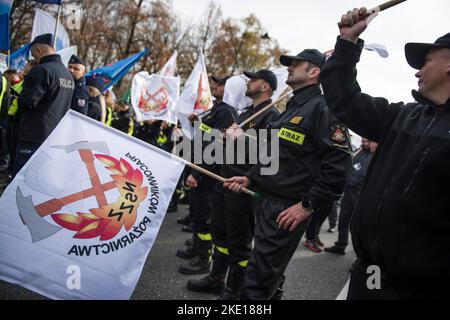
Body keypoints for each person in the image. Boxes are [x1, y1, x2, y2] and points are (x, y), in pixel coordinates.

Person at [320, 7, 450, 299]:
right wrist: (347, 43)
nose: (417, 70)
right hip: (370, 274)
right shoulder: (402, 116)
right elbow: (345, 100)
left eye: (426, 61)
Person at [225, 49, 352, 300]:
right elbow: (274, 152)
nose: (290, 68)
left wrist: (308, 205)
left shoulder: (324, 109)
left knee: (257, 282)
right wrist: (251, 177)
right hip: (265, 197)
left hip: (286, 207)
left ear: (314, 72)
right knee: (266, 272)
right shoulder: (293, 105)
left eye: (297, 64)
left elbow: (339, 165)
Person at [187, 70, 280, 299]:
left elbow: (270, 157)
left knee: (239, 243)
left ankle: (234, 290)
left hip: (242, 189)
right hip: (224, 182)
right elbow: (227, 145)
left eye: (254, 79)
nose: (249, 82)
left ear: (266, 86)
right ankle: (216, 278)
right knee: (221, 235)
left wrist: (242, 141)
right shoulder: (246, 112)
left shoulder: (271, 115)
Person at [178, 75, 237, 275]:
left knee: (204, 218)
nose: (215, 86)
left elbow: (215, 147)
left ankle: (204, 259)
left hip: (208, 176)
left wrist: (197, 173)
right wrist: (196, 123)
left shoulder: (227, 112)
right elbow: (204, 136)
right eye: (216, 83)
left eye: (220, 84)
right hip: (198, 168)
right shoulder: (215, 109)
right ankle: (196, 248)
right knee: (196, 212)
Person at [15, 33, 74, 176]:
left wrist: (19, 98)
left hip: (33, 136)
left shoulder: (41, 70)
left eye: (33, 53)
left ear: (39, 50)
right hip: (54, 138)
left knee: (21, 181)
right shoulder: (68, 75)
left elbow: (28, 102)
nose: (33, 58)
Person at [325, 138, 377, 255]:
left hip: (361, 194)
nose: (365, 143)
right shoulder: (358, 151)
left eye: (368, 141)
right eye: (363, 141)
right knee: (343, 219)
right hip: (349, 191)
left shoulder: (375, 155)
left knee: (357, 226)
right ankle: (340, 244)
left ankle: (359, 256)